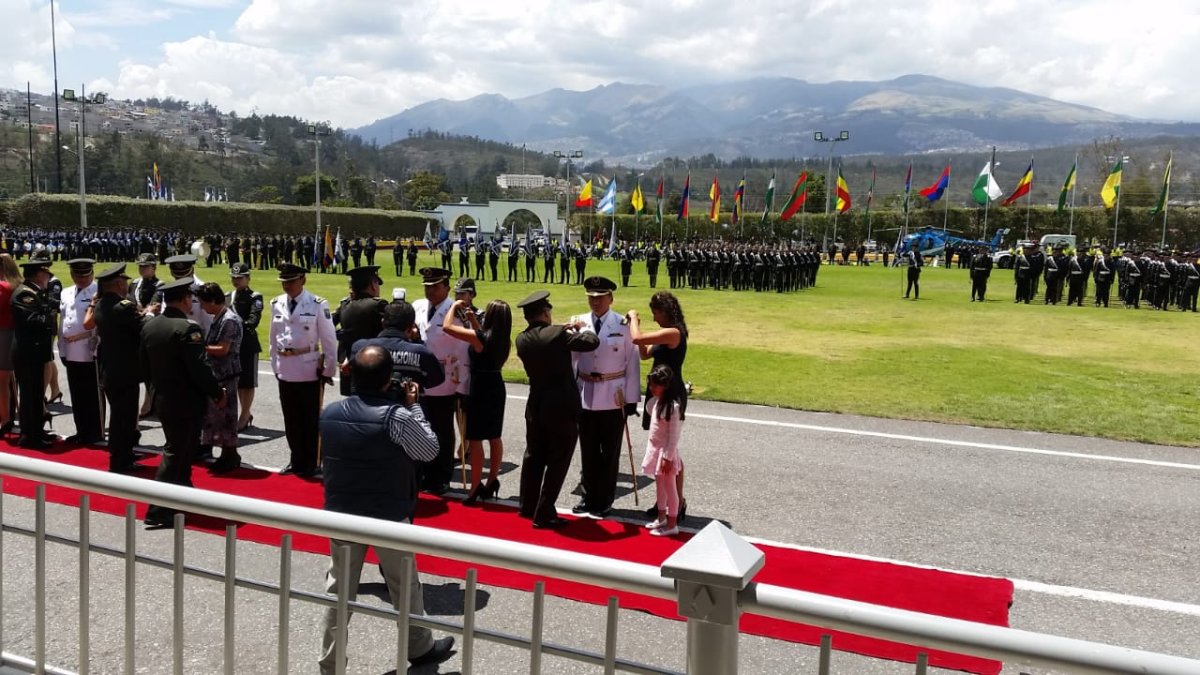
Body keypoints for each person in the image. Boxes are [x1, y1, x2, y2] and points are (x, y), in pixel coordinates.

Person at [317, 346, 455, 674]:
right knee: (404, 584)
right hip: (387, 513)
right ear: (386, 379)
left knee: (340, 590)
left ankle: (330, 663)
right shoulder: (397, 416)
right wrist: (415, 407)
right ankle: (419, 647)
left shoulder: (330, 412)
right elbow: (429, 449)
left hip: (342, 511)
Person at [140, 277, 225, 529]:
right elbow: (199, 369)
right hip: (185, 399)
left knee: (184, 449)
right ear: (185, 299)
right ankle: (157, 508)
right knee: (177, 450)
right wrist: (216, 392)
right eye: (190, 298)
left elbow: (143, 365)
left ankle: (183, 495)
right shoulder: (188, 328)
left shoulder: (151, 326)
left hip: (163, 397)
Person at [514, 291, 598, 528]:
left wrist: (564, 329)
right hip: (561, 404)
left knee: (534, 456)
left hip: (536, 403)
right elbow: (591, 343)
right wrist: (580, 328)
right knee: (558, 460)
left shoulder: (522, 339)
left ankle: (527, 505)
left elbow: (546, 340)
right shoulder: (559, 333)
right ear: (546, 312)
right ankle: (545, 511)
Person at [570, 276, 640, 519]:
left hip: (613, 394)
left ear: (611, 298)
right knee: (588, 450)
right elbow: (572, 361)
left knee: (610, 452)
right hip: (586, 393)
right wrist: (569, 394)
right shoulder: (577, 322)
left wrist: (631, 399)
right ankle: (588, 495)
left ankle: (605, 499)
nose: (595, 302)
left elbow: (632, 362)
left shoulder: (622, 324)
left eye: (600, 297)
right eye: (591, 297)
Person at [268, 263, 337, 477]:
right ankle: (296, 459)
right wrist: (274, 365)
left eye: (291, 281)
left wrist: (328, 370)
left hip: (308, 369)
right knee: (291, 419)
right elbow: (273, 337)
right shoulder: (276, 303)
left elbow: (329, 340)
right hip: (286, 368)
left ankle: (312, 462)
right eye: (284, 282)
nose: (287, 285)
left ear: (302, 280)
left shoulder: (317, 304)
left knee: (310, 419)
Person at [442, 298, 511, 505]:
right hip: (496, 386)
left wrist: (453, 307)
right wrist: (473, 320)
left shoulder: (481, 337)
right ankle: (491, 481)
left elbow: (447, 327)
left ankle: (474, 488)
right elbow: (484, 339)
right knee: (494, 436)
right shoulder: (502, 339)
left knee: (475, 438)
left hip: (480, 387)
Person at [628, 290, 689, 524]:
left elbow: (636, 339)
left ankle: (677, 500)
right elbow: (643, 353)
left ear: (665, 311)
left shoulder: (673, 333)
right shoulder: (666, 334)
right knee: (662, 446)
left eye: (656, 313)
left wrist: (634, 319)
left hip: (671, 393)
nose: (655, 318)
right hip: (659, 391)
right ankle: (667, 500)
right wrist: (640, 331)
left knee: (670, 450)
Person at [411, 267, 470, 495]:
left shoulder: (456, 311)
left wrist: (462, 384)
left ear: (446, 287)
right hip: (421, 378)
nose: (430, 291)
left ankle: (442, 475)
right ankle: (424, 472)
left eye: (435, 286)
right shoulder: (417, 306)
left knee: (442, 430)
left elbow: (465, 349)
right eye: (427, 286)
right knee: (420, 426)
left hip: (446, 378)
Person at [87, 264, 144, 473]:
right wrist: (146, 313)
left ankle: (121, 451)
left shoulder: (100, 305)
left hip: (109, 367)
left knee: (119, 415)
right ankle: (122, 459)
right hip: (125, 369)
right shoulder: (124, 307)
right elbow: (141, 329)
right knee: (125, 417)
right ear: (119, 284)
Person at [11, 257, 58, 449]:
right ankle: (29, 435)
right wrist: (50, 314)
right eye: (46, 274)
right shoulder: (25, 294)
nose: (48, 277)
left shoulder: (36, 291)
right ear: (39, 275)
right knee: (30, 395)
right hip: (28, 352)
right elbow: (33, 320)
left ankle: (36, 431)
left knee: (37, 394)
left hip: (35, 351)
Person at [197, 282, 243, 473]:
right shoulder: (219, 317)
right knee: (217, 415)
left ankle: (230, 454)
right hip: (218, 373)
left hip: (226, 374)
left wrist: (200, 348)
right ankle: (226, 454)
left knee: (226, 415)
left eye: (203, 303)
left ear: (213, 301)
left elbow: (224, 349)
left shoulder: (229, 320)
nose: (201, 307)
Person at [349, 301, 444, 392]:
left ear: (383, 323)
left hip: (365, 406)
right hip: (408, 407)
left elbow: (353, 377)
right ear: (411, 328)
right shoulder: (421, 352)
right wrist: (418, 341)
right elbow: (437, 379)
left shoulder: (359, 348)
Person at [59, 258, 104, 443]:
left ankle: (95, 432)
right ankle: (81, 430)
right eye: (78, 275)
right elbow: (63, 320)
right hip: (70, 350)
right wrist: (62, 349)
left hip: (89, 349)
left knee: (92, 395)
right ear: (72, 275)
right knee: (77, 393)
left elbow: (99, 324)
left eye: (86, 275)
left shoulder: (98, 292)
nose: (82, 279)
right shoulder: (66, 292)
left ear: (92, 274)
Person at [640, 365, 685, 537]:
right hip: (656, 450)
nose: (651, 389)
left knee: (670, 487)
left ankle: (672, 523)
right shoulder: (657, 403)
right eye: (650, 385)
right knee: (660, 485)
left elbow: (673, 436)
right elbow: (649, 408)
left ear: (666, 386)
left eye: (655, 385)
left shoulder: (673, 408)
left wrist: (667, 457)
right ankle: (661, 518)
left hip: (666, 454)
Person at [332, 266, 387, 396]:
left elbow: (327, 325)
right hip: (372, 364)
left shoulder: (344, 305)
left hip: (346, 362)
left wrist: (341, 335)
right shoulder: (378, 305)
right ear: (372, 285)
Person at [227, 263, 263, 431]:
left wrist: (236, 324)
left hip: (247, 344)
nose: (236, 281)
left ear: (248, 278)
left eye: (240, 278)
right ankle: (238, 414)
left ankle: (245, 414)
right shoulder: (229, 296)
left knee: (247, 382)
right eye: (234, 278)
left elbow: (253, 320)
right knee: (234, 381)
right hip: (231, 343)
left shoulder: (255, 297)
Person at [0, 254, 19, 436]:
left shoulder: (3, 286)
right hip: (9, 333)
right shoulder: (15, 285)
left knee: (2, 381)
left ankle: (5, 419)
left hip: (3, 334)